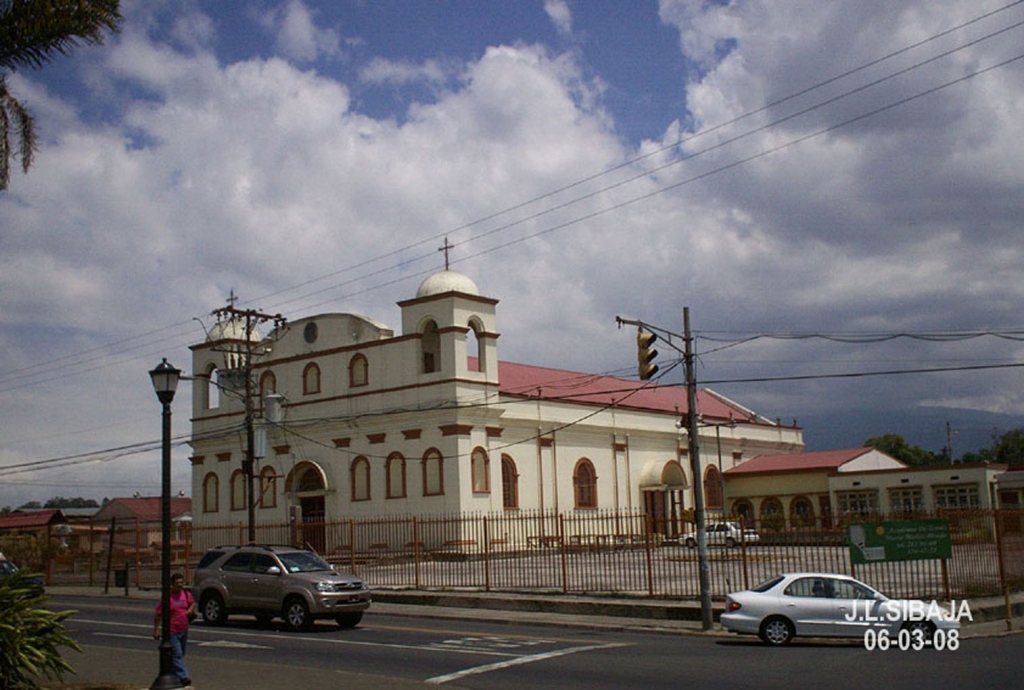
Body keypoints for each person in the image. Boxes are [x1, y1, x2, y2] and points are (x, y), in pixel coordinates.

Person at [153, 573, 196, 687]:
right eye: (177, 584)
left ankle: (174, 675)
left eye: (181, 583)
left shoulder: (186, 595)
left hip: (184, 629)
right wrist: (156, 630)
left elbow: (192, 603)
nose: (180, 585)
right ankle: (184, 677)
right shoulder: (168, 598)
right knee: (177, 655)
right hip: (172, 631)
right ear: (172, 585)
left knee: (181, 654)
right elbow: (158, 614)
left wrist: (190, 610)